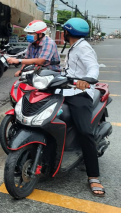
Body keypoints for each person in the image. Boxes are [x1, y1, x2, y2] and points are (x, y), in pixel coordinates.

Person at [62, 18, 104, 196]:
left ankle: (93, 176)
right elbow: (69, 70)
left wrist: (86, 80)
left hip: (79, 93)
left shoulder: (84, 47)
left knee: (85, 132)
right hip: (65, 88)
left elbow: (93, 68)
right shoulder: (74, 46)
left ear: (67, 32)